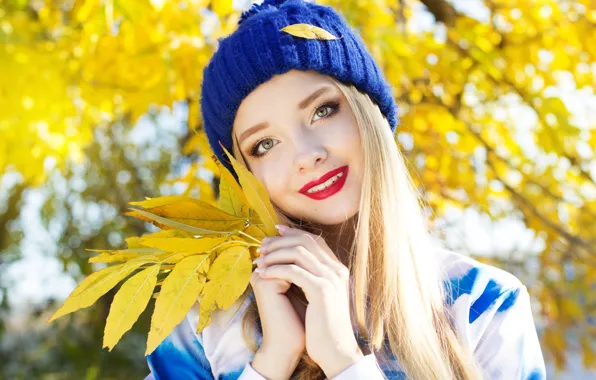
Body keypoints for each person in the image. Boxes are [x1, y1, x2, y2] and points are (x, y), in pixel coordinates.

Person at [144, 0, 547, 378]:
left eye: (322, 110)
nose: (306, 154)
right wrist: (272, 361)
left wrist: (342, 359)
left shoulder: (484, 305)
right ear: (245, 176)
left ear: (368, 112)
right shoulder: (204, 321)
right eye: (264, 144)